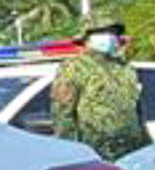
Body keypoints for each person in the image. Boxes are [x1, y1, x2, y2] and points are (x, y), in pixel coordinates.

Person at [51, 13, 148, 160]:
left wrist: (146, 145)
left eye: (113, 32)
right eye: (104, 32)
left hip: (132, 152)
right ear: (87, 37)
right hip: (97, 155)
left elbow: (138, 112)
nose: (110, 36)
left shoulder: (125, 69)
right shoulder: (74, 68)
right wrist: (73, 155)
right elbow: (63, 115)